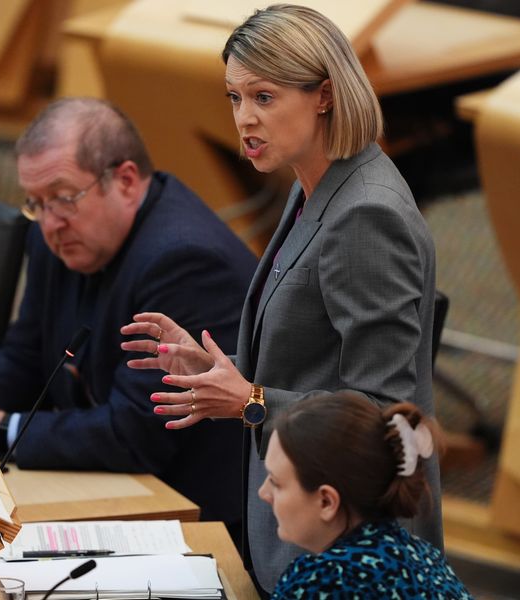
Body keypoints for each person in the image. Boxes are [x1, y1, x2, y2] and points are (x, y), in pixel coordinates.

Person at [120, 4, 441, 596]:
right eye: (234, 98)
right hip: (300, 534)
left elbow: (382, 412)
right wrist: (220, 369)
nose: (243, 119)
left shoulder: (365, 214)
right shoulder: (311, 184)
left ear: (323, 94)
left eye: (264, 97)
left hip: (351, 559)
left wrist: (251, 401)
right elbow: (314, 358)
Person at [0, 97, 258, 535]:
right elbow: (26, 354)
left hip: (195, 516)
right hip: (111, 486)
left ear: (125, 180)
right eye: (36, 202)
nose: (50, 222)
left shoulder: (183, 259)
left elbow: (135, 432)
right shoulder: (58, 234)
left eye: (64, 198)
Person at [263, 390, 473, 599]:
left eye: (276, 482)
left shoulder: (323, 581)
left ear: (327, 502)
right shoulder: (428, 558)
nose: (264, 493)